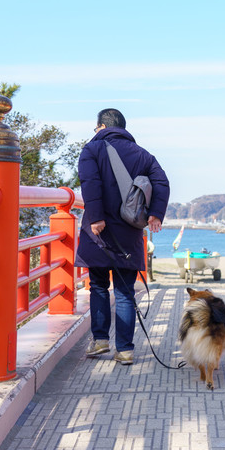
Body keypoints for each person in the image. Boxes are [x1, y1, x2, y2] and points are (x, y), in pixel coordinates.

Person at [75, 108, 170, 365]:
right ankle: (125, 350)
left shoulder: (92, 150)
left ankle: (100, 341)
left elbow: (90, 183)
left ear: (102, 126)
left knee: (98, 286)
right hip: (129, 231)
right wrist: (155, 215)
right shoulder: (143, 154)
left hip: (100, 231)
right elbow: (161, 182)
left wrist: (95, 217)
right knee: (126, 291)